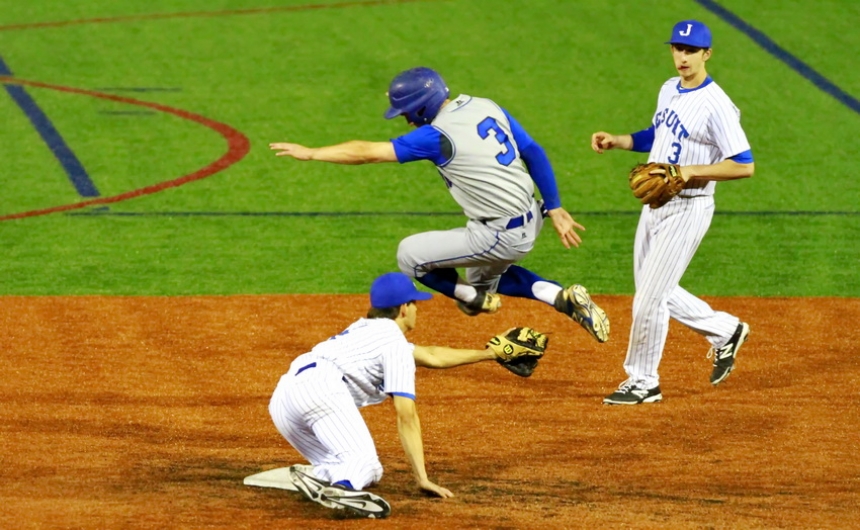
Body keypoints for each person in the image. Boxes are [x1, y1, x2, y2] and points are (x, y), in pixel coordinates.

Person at [270, 67, 609, 344]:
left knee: (409, 256)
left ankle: (471, 297)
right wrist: (555, 205)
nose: (405, 120)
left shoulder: (436, 136)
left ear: (421, 107)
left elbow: (367, 152)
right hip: (532, 216)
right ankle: (561, 298)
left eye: (406, 113)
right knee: (487, 278)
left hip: (497, 233)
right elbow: (532, 151)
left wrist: (312, 152)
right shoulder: (485, 105)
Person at [590, 20, 754, 405]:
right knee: (654, 289)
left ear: (707, 54)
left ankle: (644, 380)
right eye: (678, 49)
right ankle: (725, 330)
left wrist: (691, 171)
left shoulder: (718, 106)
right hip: (655, 205)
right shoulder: (668, 89)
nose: (682, 57)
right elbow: (658, 135)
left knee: (649, 298)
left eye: (691, 50)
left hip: (689, 208)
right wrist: (619, 141)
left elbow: (744, 164)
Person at [268, 272, 517, 518]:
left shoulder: (365, 329)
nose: (418, 310)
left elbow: (431, 355)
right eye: (415, 303)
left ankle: (318, 477)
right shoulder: (393, 344)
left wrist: (490, 354)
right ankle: (341, 490)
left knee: (339, 465)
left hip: (284, 399)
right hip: (321, 392)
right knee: (368, 467)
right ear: (404, 309)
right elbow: (406, 415)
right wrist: (422, 478)